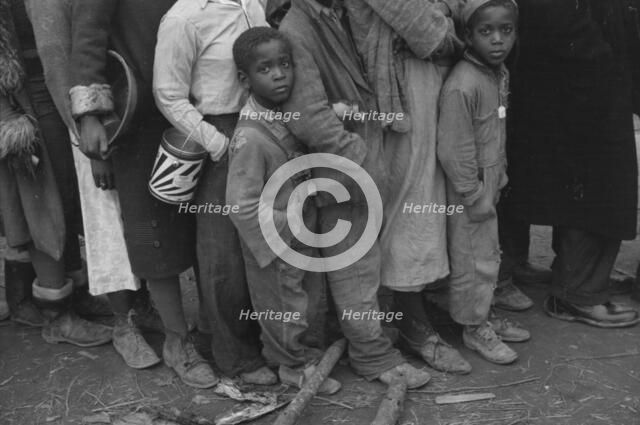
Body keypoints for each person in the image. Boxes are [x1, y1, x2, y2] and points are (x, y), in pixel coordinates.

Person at [279, 0, 431, 389]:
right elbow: (310, 116)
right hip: (344, 169)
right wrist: (360, 160)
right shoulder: (298, 28)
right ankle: (373, 355)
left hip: (355, 161)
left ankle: (365, 340)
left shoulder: (338, 14)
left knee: (362, 262)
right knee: (356, 266)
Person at [343, 0, 472, 374]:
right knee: (412, 199)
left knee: (430, 191)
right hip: (397, 89)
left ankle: (419, 303)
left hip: (424, 84)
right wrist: (448, 25)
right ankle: (411, 323)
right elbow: (427, 33)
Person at [153, 0, 276, 385]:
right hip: (217, 134)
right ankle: (234, 357)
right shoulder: (184, 18)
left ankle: (266, 341)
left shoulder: (252, 4)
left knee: (262, 244)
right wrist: (218, 143)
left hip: (259, 125)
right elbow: (168, 95)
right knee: (222, 255)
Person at [501, 0, 640, 327]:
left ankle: (559, 277)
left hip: (571, 73)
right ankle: (577, 292)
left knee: (564, 173)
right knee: (600, 179)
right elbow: (560, 21)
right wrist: (607, 66)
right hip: (581, 76)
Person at [226, 27, 340, 393]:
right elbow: (239, 205)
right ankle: (292, 367)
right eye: (266, 69)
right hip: (276, 244)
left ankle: (303, 355)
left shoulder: (284, 115)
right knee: (283, 304)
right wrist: (286, 229)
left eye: (284, 65)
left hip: (300, 235)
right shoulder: (251, 138)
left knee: (305, 297)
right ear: (245, 79)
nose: (278, 74)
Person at [0, 0, 112, 347]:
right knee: (41, 205)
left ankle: (76, 293)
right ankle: (57, 315)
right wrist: (9, 118)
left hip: (54, 90)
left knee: (65, 196)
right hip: (21, 104)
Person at [437, 0, 530, 365]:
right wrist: (474, 192)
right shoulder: (463, 84)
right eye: (485, 32)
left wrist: (499, 175)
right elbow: (453, 148)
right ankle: (474, 329)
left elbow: (494, 130)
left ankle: (483, 314)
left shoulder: (496, 72)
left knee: (487, 256)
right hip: (469, 191)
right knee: (472, 261)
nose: (497, 40)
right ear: (467, 35)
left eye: (506, 31)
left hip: (488, 183)